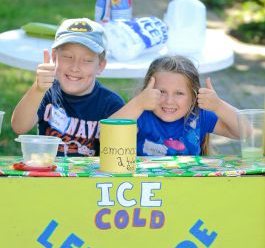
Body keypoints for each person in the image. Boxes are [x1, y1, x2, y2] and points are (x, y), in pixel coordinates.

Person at [11, 18, 124, 156]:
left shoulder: (111, 104)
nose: (75, 67)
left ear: (100, 66)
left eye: (87, 60)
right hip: (49, 173)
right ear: (54, 57)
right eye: (68, 56)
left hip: (90, 177)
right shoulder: (46, 92)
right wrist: (37, 89)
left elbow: (121, 150)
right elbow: (19, 127)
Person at [111, 55, 240, 156]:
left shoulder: (199, 116)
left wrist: (218, 106)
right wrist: (138, 104)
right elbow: (106, 137)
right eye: (161, 92)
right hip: (147, 187)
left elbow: (244, 131)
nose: (169, 101)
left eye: (179, 93)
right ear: (148, 91)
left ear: (194, 96)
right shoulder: (140, 115)